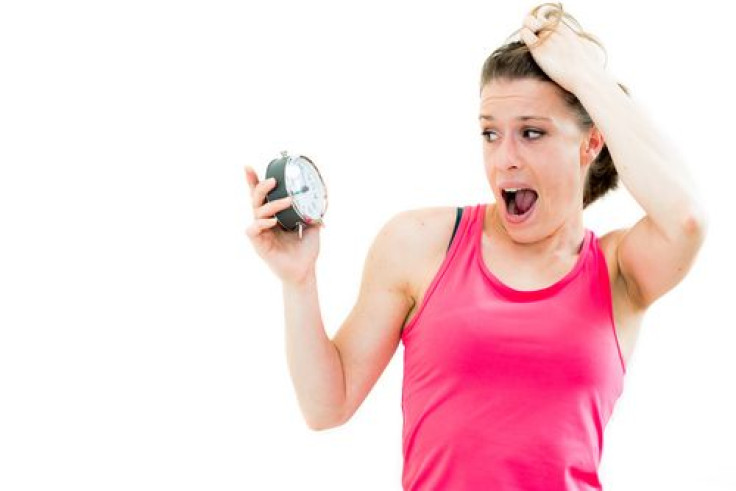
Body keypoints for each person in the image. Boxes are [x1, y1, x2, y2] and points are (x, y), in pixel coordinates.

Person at [244, 3, 708, 489]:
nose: (505, 158)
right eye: (490, 132)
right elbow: (326, 405)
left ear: (591, 144)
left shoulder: (619, 271)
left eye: (532, 132)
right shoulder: (419, 244)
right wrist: (298, 280)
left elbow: (687, 219)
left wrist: (588, 78)